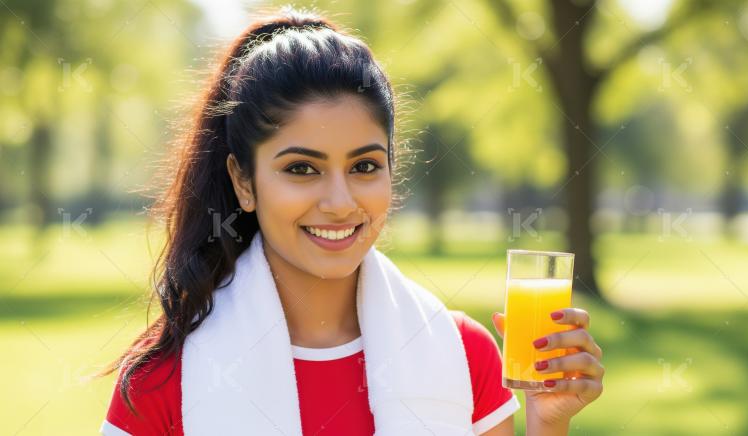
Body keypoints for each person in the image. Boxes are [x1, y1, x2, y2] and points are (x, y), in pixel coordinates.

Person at [97, 6, 603, 435]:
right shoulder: (161, 384)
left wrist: (547, 423)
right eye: (301, 169)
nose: (340, 203)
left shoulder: (464, 355)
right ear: (244, 181)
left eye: (364, 167)